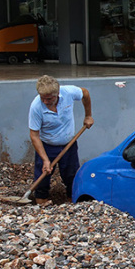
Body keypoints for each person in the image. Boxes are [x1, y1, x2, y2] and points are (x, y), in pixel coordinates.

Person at [28, 75, 93, 206]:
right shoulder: (36, 107)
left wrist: (88, 115)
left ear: (57, 93)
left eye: (49, 98)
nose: (45, 101)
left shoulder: (68, 92)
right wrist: (46, 159)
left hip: (69, 144)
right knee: (43, 174)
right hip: (47, 145)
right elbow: (34, 135)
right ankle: (41, 201)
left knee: (71, 174)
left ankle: (72, 200)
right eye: (43, 98)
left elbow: (85, 93)